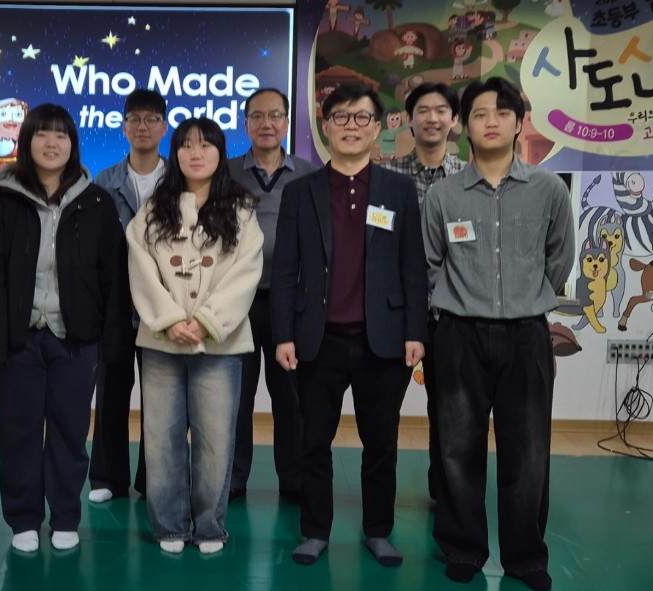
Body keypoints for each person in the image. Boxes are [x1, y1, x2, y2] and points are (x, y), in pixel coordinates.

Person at [422, 77, 573, 590]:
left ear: (518, 122)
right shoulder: (443, 195)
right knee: (456, 448)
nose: (491, 121)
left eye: (502, 112)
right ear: (464, 126)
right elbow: (431, 263)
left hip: (526, 335)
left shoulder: (549, 190)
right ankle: (463, 547)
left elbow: (559, 259)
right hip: (458, 335)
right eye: (480, 113)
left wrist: (527, 298)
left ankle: (526, 557)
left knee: (527, 452)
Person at [272, 83, 428, 567]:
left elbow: (412, 266)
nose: (351, 126)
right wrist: (283, 334)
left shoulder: (398, 191)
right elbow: (285, 270)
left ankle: (378, 530)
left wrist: (415, 331)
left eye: (362, 118)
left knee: (380, 443)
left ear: (377, 129)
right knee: (313, 441)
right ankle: (314, 530)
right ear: (326, 126)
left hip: (383, 341)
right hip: (317, 340)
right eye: (341, 116)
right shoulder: (301, 191)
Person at [0, 103, 130, 553]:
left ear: (72, 144)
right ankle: (24, 518)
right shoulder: (3, 200)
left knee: (69, 433)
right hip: (19, 341)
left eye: (61, 135)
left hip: (75, 341)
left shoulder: (96, 202)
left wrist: (111, 342)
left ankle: (64, 516)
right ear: (27, 142)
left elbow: (113, 278)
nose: (52, 143)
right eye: (42, 134)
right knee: (18, 433)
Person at [126, 117, 263, 555]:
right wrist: (169, 319)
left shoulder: (241, 209)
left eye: (205, 145)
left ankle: (209, 526)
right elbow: (140, 266)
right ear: (176, 154)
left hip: (219, 343)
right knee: (161, 439)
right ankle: (169, 525)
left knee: (216, 440)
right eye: (186, 145)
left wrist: (205, 321)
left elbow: (246, 272)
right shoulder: (154, 209)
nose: (196, 153)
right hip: (162, 342)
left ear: (221, 153)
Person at [226, 88, 320, 502]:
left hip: (291, 304)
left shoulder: (310, 175)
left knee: (291, 397)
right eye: (258, 116)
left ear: (286, 122)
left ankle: (294, 480)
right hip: (237, 303)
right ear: (245, 122)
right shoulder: (225, 172)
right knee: (235, 397)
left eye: (276, 115)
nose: (267, 123)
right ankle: (232, 479)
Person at [379, 82, 465, 502]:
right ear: (409, 120)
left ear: (454, 120)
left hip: (454, 314)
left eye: (441, 110)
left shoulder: (469, 178)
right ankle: (381, 496)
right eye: (423, 111)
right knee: (383, 410)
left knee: (450, 411)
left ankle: (445, 492)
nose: (432, 118)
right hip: (398, 313)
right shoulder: (386, 177)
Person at [88, 89, 170, 503]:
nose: (143, 126)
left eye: (151, 119)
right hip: (116, 307)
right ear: (123, 127)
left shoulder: (179, 180)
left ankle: (155, 479)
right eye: (134, 119)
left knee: (162, 400)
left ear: (164, 126)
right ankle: (107, 479)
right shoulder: (104, 181)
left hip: (164, 306)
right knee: (111, 394)